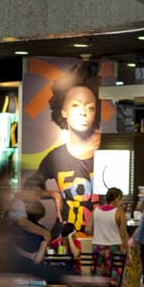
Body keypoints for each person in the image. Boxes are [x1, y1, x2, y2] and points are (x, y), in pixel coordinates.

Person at [39, 62, 104, 193]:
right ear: (63, 111)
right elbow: (31, 186)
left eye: (90, 107)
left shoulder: (107, 148)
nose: (83, 112)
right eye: (76, 105)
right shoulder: (56, 157)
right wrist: (52, 194)